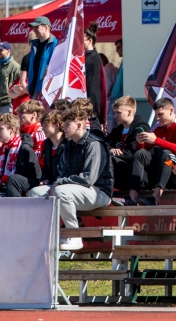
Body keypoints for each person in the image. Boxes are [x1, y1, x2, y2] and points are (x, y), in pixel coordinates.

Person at [28, 107, 114, 251]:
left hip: (99, 191)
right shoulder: (69, 145)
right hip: (75, 189)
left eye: (67, 124)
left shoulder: (94, 144)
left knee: (61, 192)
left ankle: (75, 236)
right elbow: (62, 172)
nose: (64, 127)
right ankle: (48, 235)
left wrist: (59, 183)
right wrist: (58, 182)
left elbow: (88, 179)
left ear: (79, 125)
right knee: (34, 193)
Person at [128, 98, 176, 205]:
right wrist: (140, 142)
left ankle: (155, 198)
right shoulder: (158, 127)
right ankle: (132, 198)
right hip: (163, 173)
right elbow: (144, 151)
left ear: (171, 111)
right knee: (140, 154)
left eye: (160, 114)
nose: (157, 118)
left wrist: (156, 140)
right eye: (156, 115)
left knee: (167, 154)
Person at [0, 113, 40, 197]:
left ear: (12, 130)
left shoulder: (24, 148)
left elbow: (20, 177)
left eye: (1, 129)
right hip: (5, 185)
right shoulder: (4, 148)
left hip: (23, 186)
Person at [104, 96, 150, 193]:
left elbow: (132, 155)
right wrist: (110, 150)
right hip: (122, 170)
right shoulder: (118, 130)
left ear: (129, 112)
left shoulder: (141, 128)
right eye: (114, 112)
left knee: (109, 160)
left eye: (118, 112)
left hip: (137, 175)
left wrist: (114, 154)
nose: (115, 116)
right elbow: (103, 144)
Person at [22, 16, 58, 100]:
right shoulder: (34, 45)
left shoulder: (56, 45)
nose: (34, 29)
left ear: (46, 28)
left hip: (48, 92)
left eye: (37, 27)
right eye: (33, 27)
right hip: (34, 91)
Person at [83, 22, 107, 129]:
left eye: (82, 40)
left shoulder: (92, 57)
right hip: (90, 99)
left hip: (91, 100)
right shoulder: (89, 56)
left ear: (90, 41)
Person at [0, 42, 21, 115]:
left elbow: (18, 86)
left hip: (7, 104)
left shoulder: (15, 67)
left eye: (1, 50)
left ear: (8, 51)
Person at [17, 99, 47, 165]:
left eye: (22, 112)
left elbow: (38, 157)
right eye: (18, 113)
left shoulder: (39, 132)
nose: (18, 115)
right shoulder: (21, 130)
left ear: (34, 114)